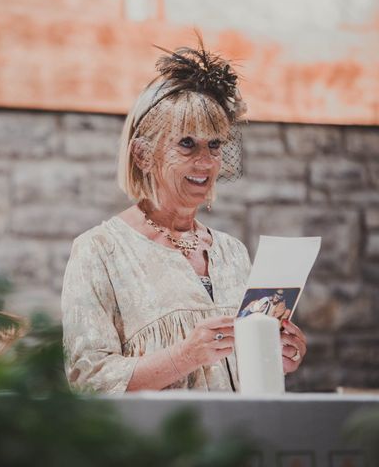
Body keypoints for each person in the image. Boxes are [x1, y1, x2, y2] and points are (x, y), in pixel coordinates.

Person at [61, 39, 307, 393]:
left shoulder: (232, 251)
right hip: (159, 446)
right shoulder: (99, 250)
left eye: (215, 145)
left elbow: (245, 368)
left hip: (239, 443)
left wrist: (281, 354)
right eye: (187, 143)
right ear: (143, 155)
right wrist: (184, 356)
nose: (205, 162)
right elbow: (88, 381)